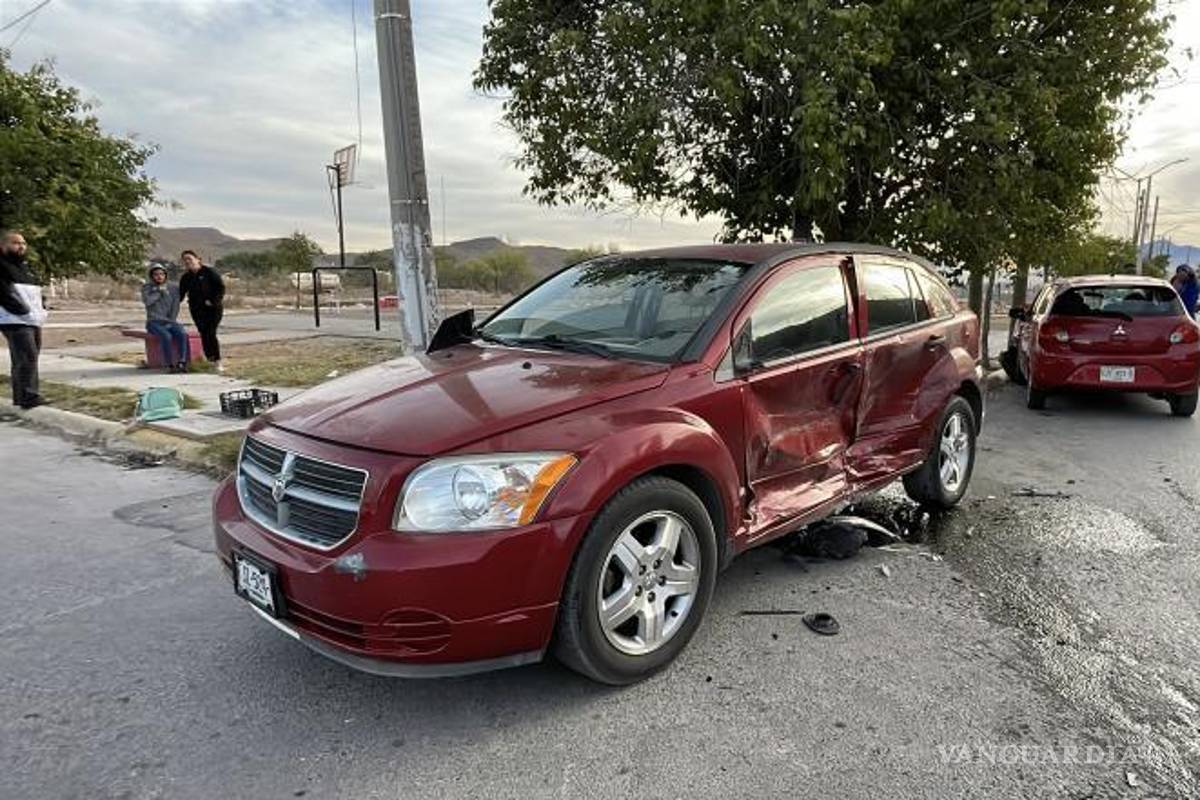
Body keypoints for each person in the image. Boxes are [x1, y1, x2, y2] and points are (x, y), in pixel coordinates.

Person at [0, 230, 47, 409]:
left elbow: (35, 292)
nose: (21, 246)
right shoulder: (2, 266)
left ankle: (22, 396)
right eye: (16, 243)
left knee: (29, 356)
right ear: (3, 246)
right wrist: (22, 310)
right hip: (13, 319)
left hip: (32, 318)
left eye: (23, 243)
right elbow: (3, 294)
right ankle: (28, 396)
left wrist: (42, 307)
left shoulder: (25, 267)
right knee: (27, 355)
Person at [178, 249, 225, 373]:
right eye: (185, 260)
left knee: (210, 332)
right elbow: (180, 294)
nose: (187, 261)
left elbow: (220, 287)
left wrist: (213, 301)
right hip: (197, 309)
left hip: (213, 309)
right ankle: (210, 359)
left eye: (189, 258)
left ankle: (218, 361)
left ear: (198, 259)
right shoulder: (186, 277)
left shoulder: (209, 272)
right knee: (203, 333)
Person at [141, 264, 190, 373]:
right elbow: (147, 302)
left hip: (170, 320)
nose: (159, 276)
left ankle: (182, 362)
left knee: (182, 333)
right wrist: (159, 292)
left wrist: (172, 320)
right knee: (166, 336)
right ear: (152, 276)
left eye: (161, 274)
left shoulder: (173, 288)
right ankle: (169, 364)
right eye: (156, 274)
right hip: (154, 322)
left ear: (165, 275)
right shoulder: (147, 287)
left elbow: (175, 305)